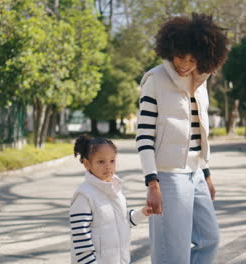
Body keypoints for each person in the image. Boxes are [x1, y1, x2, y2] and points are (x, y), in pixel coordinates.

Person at [135, 13, 229, 264]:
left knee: (209, 240)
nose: (184, 64)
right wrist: (152, 183)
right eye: (179, 56)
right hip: (168, 176)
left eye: (192, 58)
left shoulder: (200, 82)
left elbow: (199, 132)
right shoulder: (155, 79)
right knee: (172, 253)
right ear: (170, 50)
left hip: (196, 173)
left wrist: (206, 174)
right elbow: (143, 134)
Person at [70, 134, 152, 264]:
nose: (108, 166)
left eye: (112, 161)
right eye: (101, 161)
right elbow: (80, 238)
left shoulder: (117, 190)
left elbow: (124, 221)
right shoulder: (84, 196)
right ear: (87, 164)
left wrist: (143, 213)